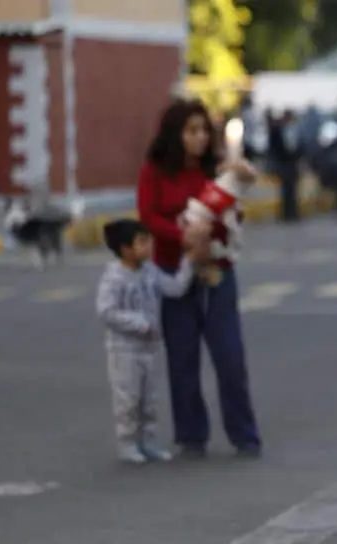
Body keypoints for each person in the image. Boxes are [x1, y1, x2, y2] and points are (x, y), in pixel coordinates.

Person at [137, 99, 262, 459]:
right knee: (182, 356)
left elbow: (234, 211)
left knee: (229, 355)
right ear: (175, 134)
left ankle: (244, 434)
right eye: (192, 131)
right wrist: (184, 238)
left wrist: (218, 235)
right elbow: (148, 215)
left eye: (205, 130)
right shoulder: (155, 170)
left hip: (217, 270)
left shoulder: (218, 169)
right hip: (174, 271)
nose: (200, 138)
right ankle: (191, 435)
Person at [96, 219, 197, 464]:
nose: (149, 246)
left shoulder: (150, 271)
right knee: (128, 398)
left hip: (150, 348)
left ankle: (149, 442)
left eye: (148, 240)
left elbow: (174, 288)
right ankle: (128, 443)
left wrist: (189, 262)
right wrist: (139, 323)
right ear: (125, 248)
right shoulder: (114, 278)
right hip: (124, 349)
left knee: (149, 399)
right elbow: (106, 312)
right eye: (142, 242)